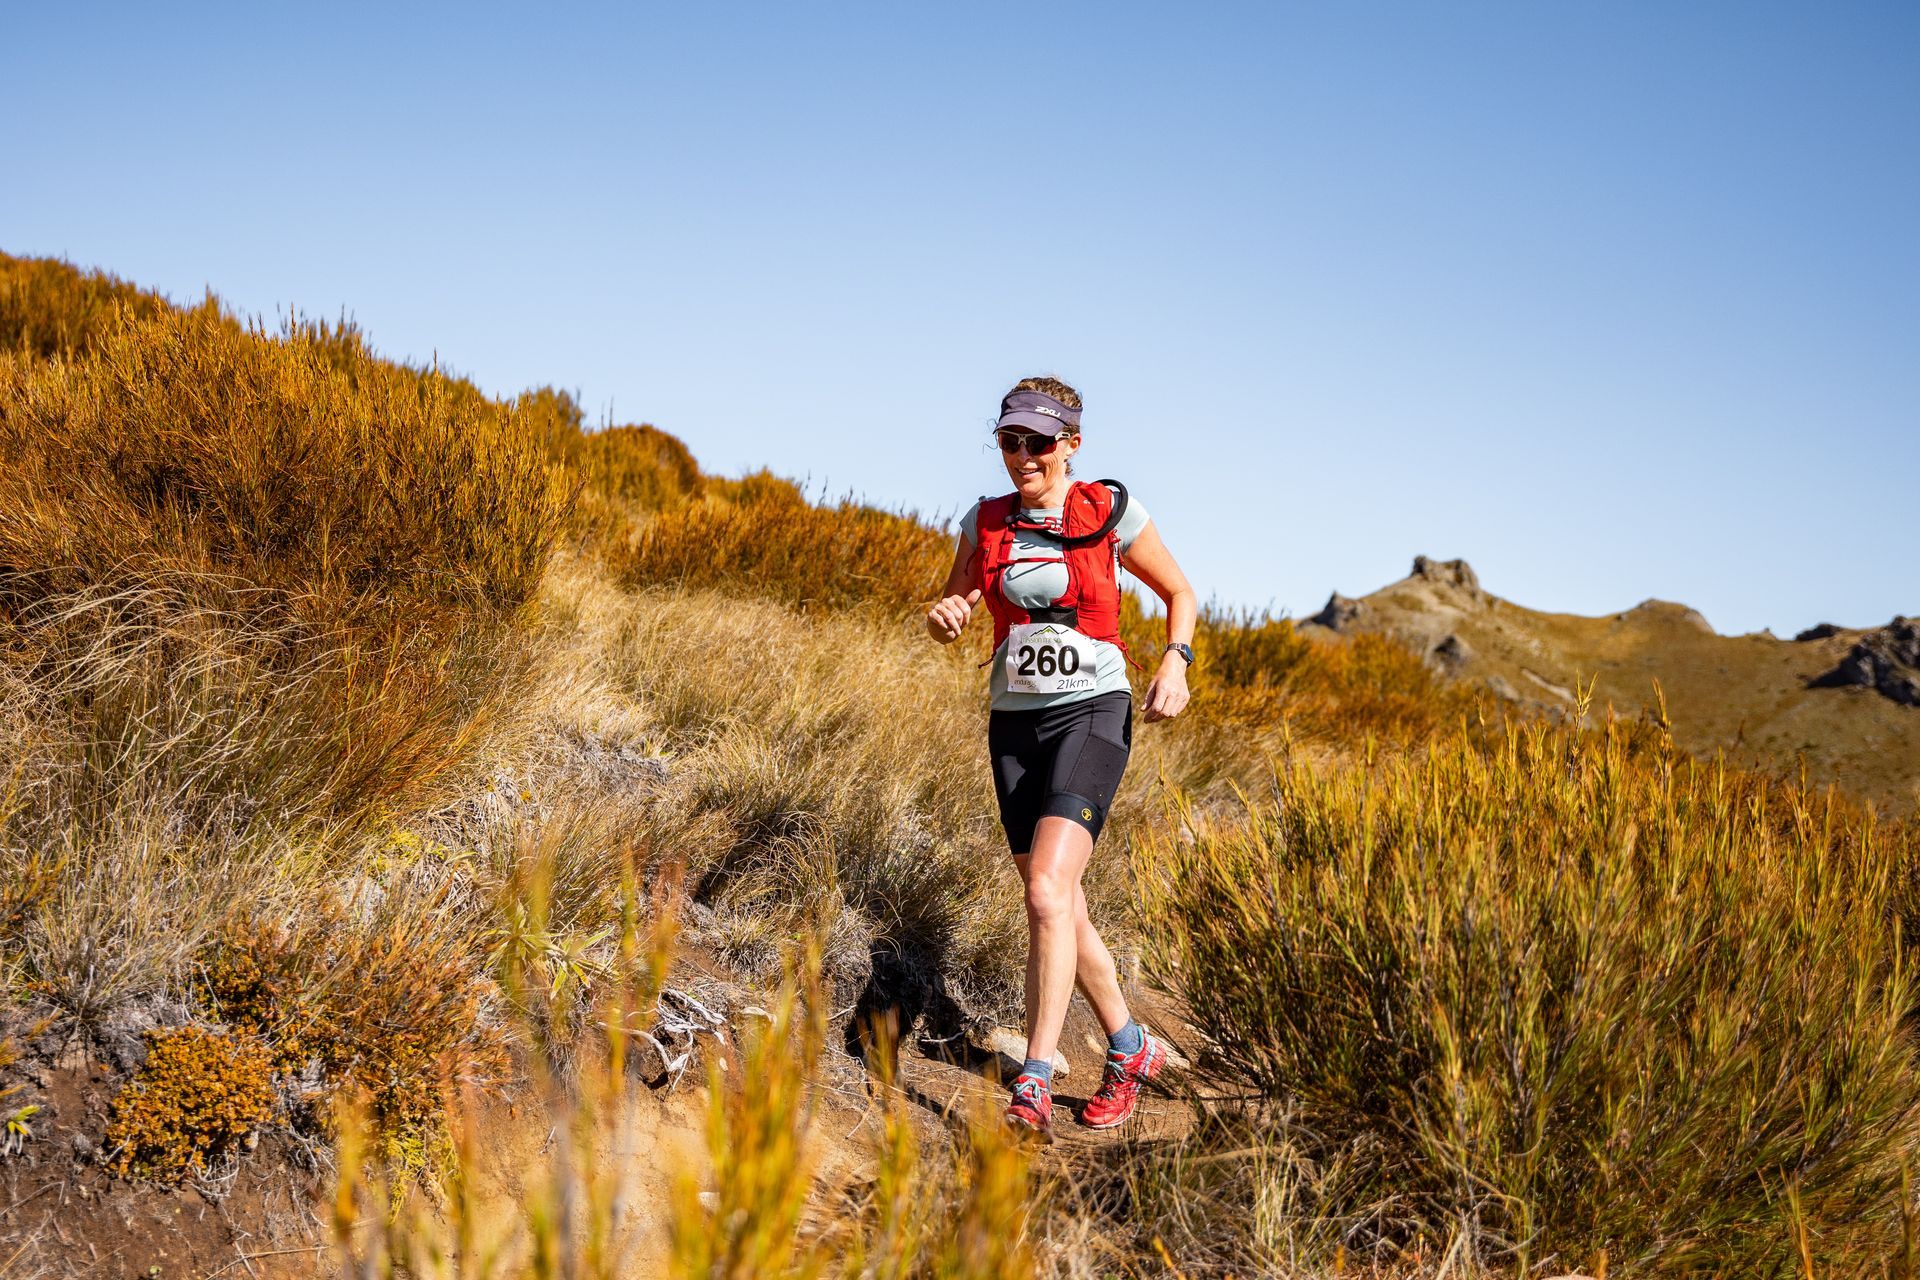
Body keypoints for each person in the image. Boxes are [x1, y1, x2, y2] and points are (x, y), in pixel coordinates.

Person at [925, 375, 1196, 1135]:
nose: (1021, 456)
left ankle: (1035, 1081)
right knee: (1059, 901)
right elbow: (957, 602)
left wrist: (1175, 660)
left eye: (1037, 442)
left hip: (1093, 712)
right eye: (1009, 440)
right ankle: (1130, 1046)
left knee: (1046, 890)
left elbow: (1181, 591)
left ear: (1071, 443)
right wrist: (946, 616)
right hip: (1013, 724)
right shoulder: (985, 523)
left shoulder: (1108, 510)